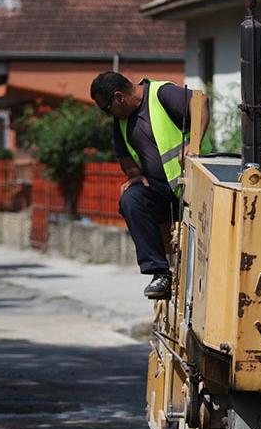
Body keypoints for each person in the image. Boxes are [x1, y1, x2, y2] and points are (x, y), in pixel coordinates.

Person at [89, 71, 209, 299]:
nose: (107, 114)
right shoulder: (121, 120)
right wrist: (133, 173)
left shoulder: (161, 94)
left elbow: (200, 102)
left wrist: (195, 144)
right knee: (131, 199)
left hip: (196, 189)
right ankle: (160, 273)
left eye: (106, 108)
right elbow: (122, 153)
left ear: (118, 97)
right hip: (164, 192)